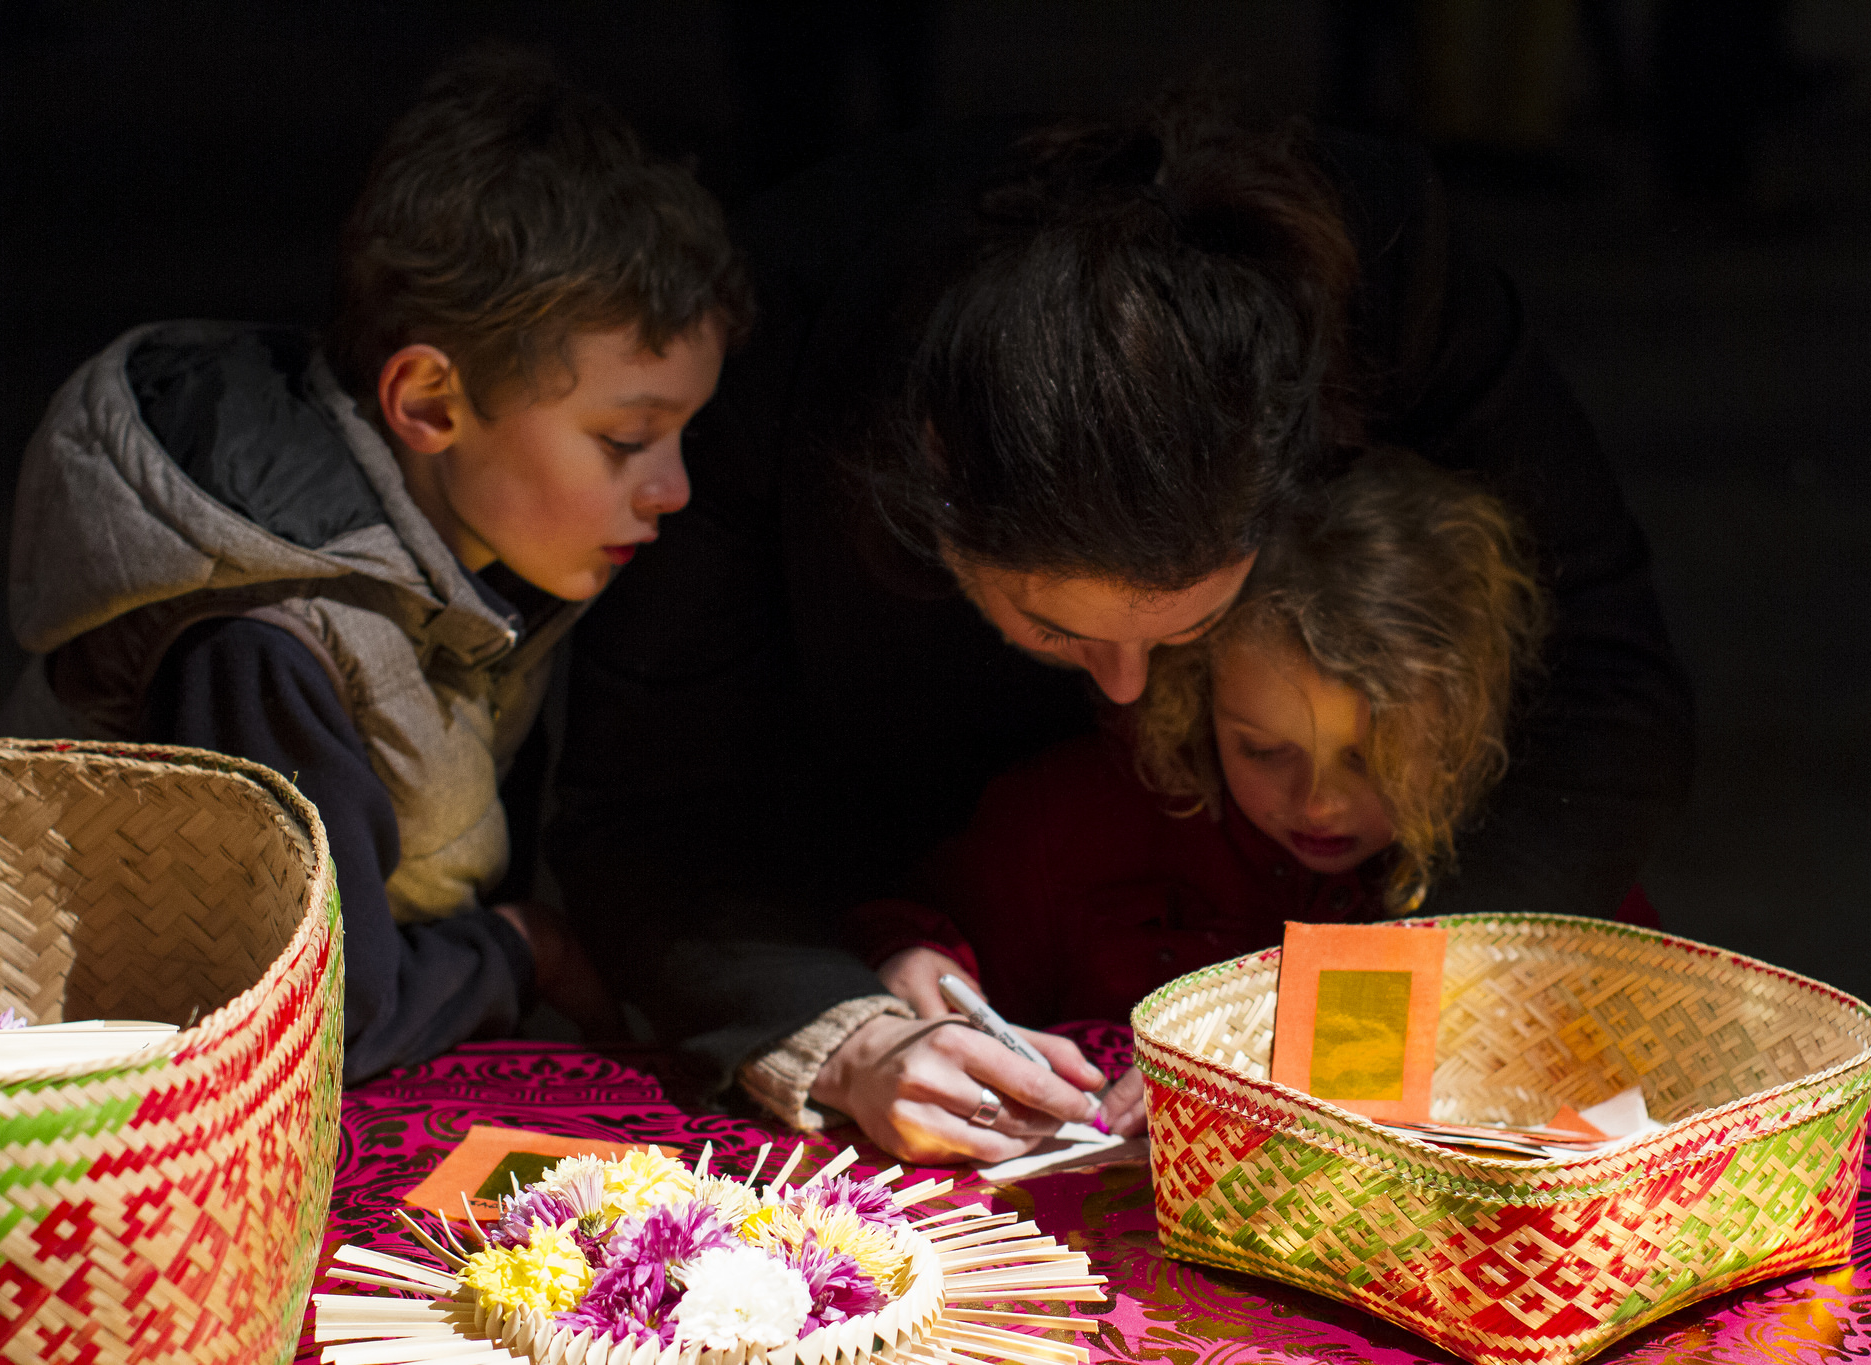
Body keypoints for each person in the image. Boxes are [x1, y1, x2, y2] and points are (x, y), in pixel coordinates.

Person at [549, 97, 1693, 1165]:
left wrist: (1363, 1019)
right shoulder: (772, 348)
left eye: (1190, 629)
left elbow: (1604, 683)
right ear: (927, 494)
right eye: (1055, 629)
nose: (1132, 693)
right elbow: (648, 809)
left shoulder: (1388, 276)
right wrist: (839, 1023)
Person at [0, 53, 748, 1082]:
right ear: (430, 404)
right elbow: (318, 1026)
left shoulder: (491, 567)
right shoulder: (268, 637)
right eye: (626, 440)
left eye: (684, 436)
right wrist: (523, 949)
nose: (674, 488)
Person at [852, 451, 1660, 1134]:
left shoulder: (1525, 854)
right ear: (1192, 692)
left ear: (1464, 732)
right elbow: (910, 932)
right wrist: (914, 970)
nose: (1320, 804)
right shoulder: (1072, 822)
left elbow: (1632, 1056)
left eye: (1377, 759)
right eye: (1265, 749)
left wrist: (1346, 1029)